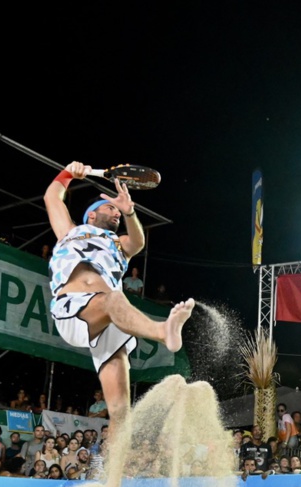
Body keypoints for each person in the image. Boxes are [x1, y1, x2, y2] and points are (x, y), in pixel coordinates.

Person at [44, 161, 195, 441]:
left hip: (109, 322)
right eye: (110, 208)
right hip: (75, 311)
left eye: (117, 210)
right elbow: (52, 196)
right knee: (114, 298)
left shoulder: (119, 245)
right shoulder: (70, 231)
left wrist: (130, 212)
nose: (115, 213)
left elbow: (137, 243)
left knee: (120, 413)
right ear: (91, 215)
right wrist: (68, 173)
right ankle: (162, 330)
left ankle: (111, 477)